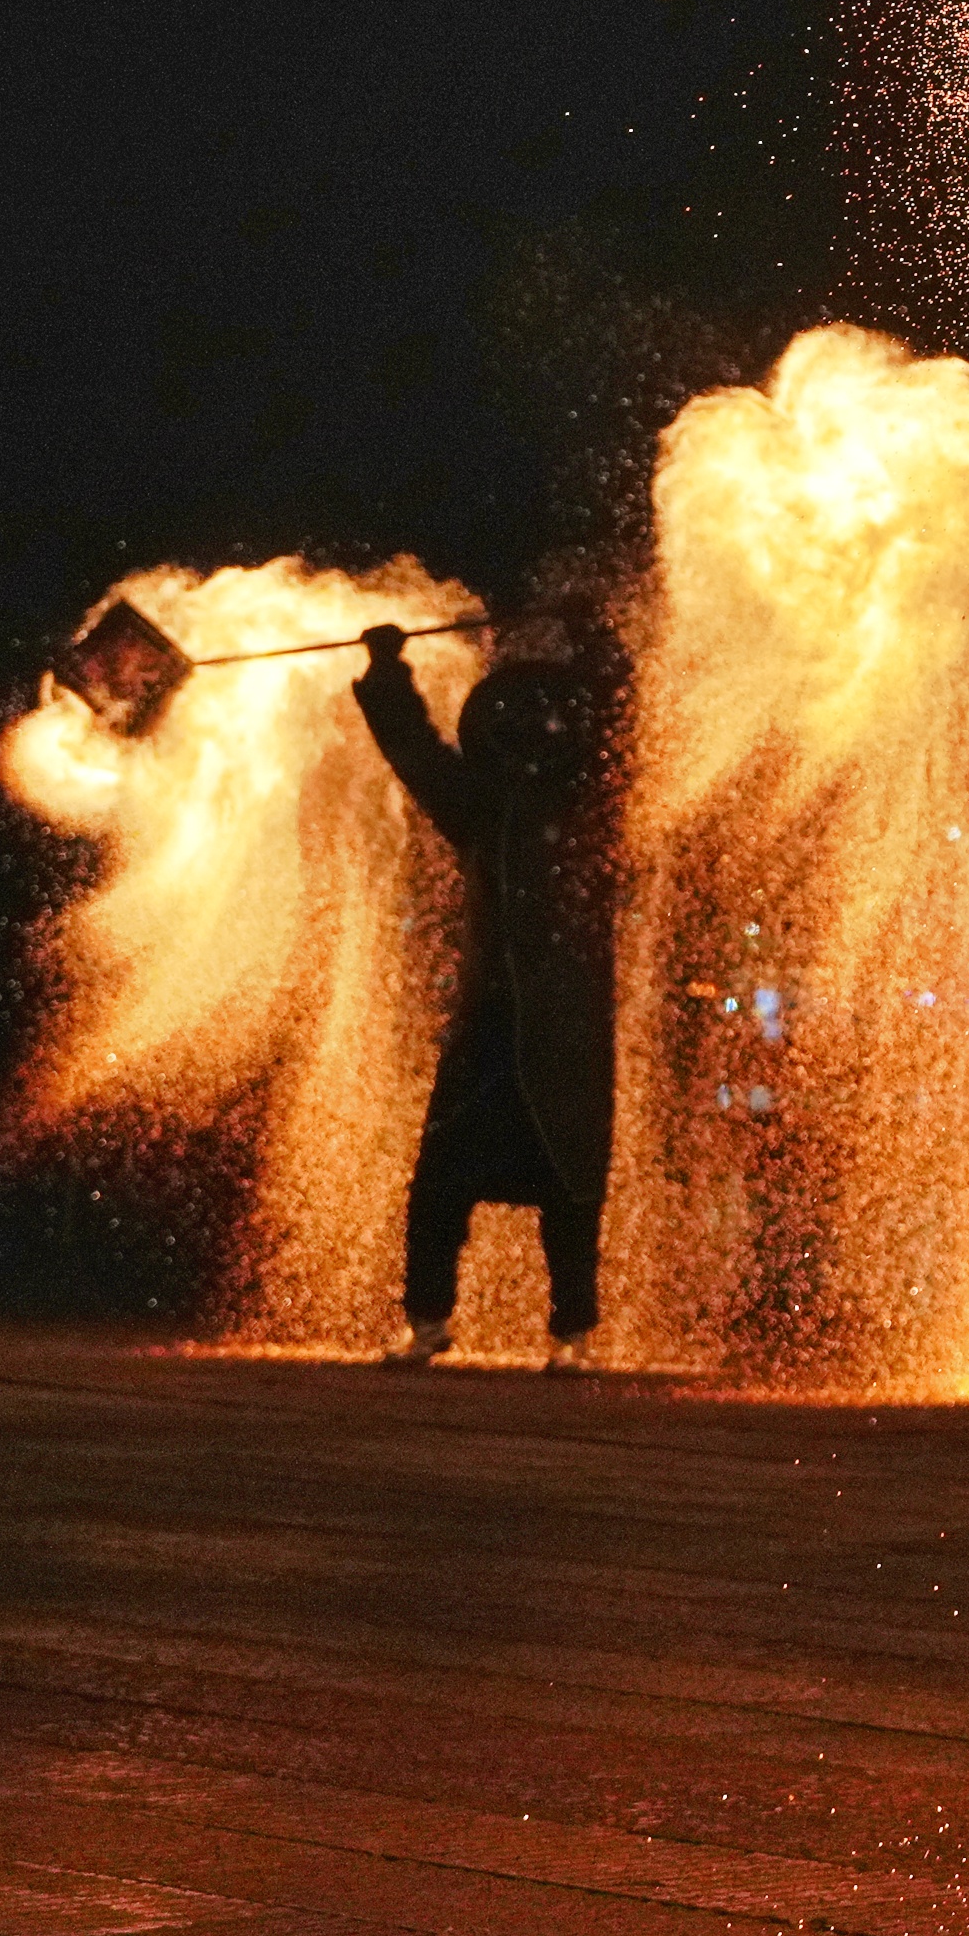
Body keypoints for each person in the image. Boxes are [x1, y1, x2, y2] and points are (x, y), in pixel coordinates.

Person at [348, 572, 626, 1368]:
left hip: (565, 1028)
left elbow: (622, 720)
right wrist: (387, 672)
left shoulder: (597, 803)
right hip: (492, 1021)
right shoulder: (482, 807)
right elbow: (415, 749)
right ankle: (429, 1321)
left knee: (570, 1185)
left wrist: (596, 642)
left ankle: (572, 1334)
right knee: (441, 1179)